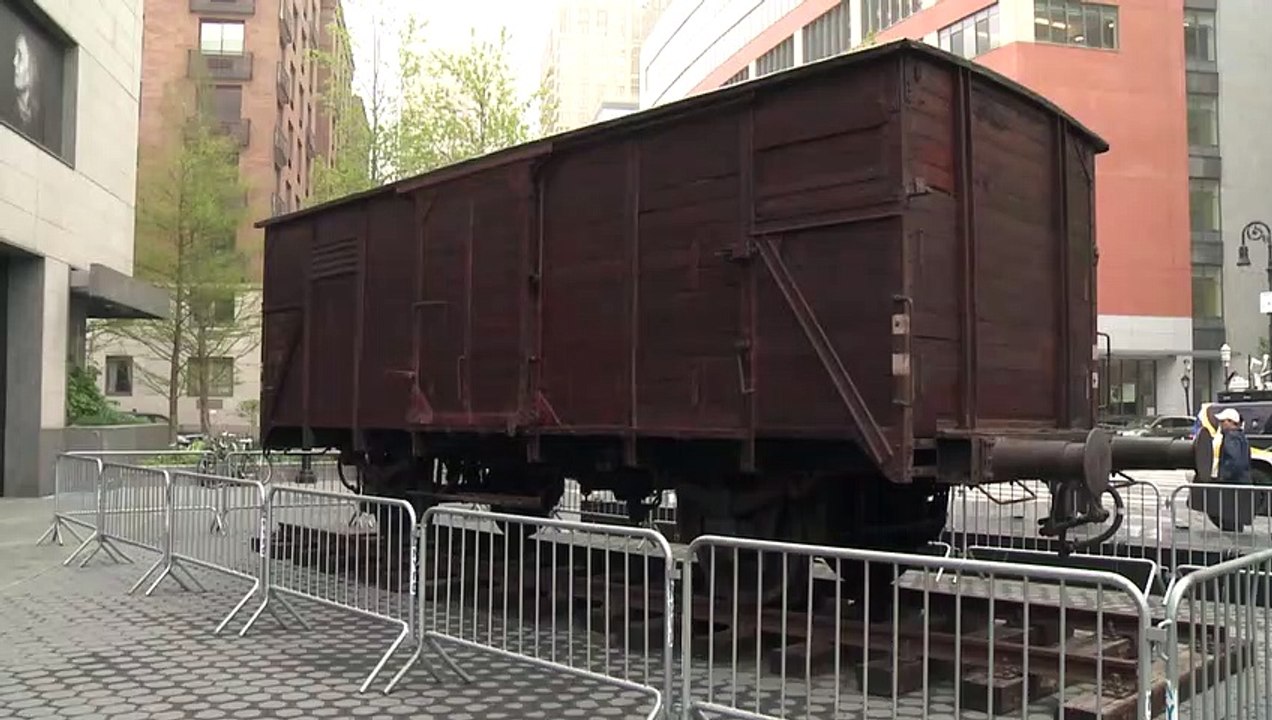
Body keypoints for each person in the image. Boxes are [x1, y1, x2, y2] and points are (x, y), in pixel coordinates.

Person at [1215, 408, 1252, 485]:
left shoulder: (1231, 437)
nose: (1220, 424)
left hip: (1233, 482)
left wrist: (1224, 477)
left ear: (1231, 422)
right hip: (1243, 481)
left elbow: (1233, 460)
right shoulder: (1242, 436)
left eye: (1223, 421)